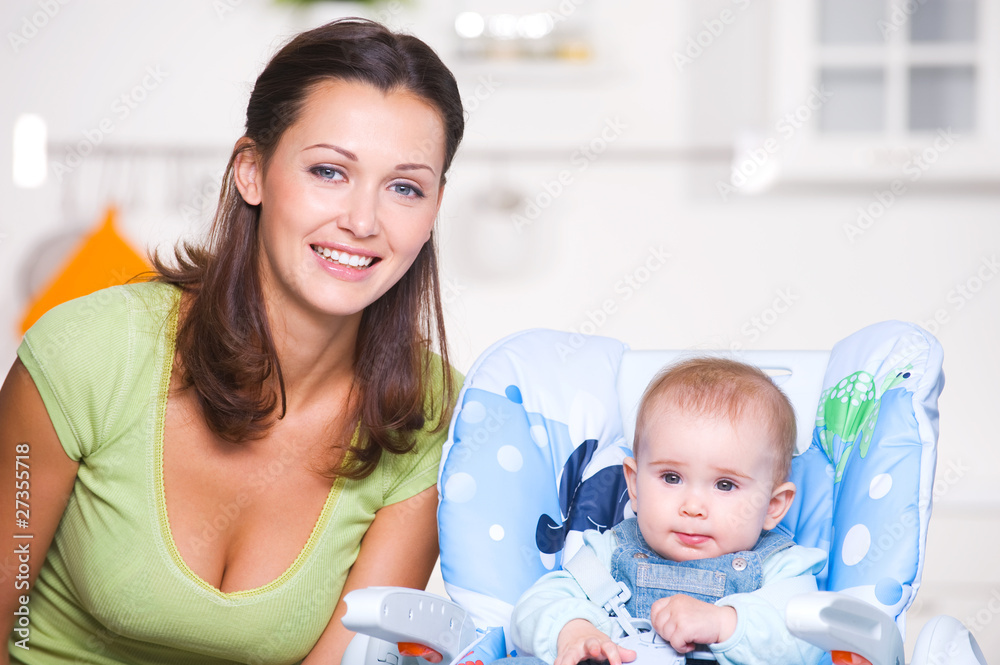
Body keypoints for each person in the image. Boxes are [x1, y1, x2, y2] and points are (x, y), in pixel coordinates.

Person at [0, 18, 464, 664]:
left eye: (405, 188)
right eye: (329, 171)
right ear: (252, 171)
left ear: (435, 208)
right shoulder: (89, 351)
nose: (362, 221)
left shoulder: (436, 414)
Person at [510, 358, 827, 665]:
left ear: (772, 506)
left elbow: (807, 639)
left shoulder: (780, 569)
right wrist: (574, 630)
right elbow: (533, 607)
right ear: (635, 486)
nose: (692, 507)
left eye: (725, 485)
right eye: (671, 478)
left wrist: (724, 624)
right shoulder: (608, 554)